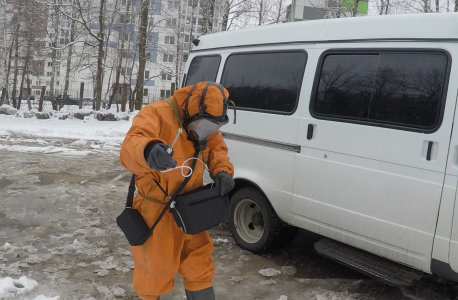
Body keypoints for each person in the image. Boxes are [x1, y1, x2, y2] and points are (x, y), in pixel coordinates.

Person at [120, 81, 235, 300]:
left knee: (199, 263)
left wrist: (222, 171)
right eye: (202, 125)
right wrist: (148, 150)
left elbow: (216, 148)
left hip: (192, 207)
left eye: (212, 127)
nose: (205, 132)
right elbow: (131, 146)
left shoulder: (208, 125)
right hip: (156, 210)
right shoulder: (156, 113)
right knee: (155, 270)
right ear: (189, 111)